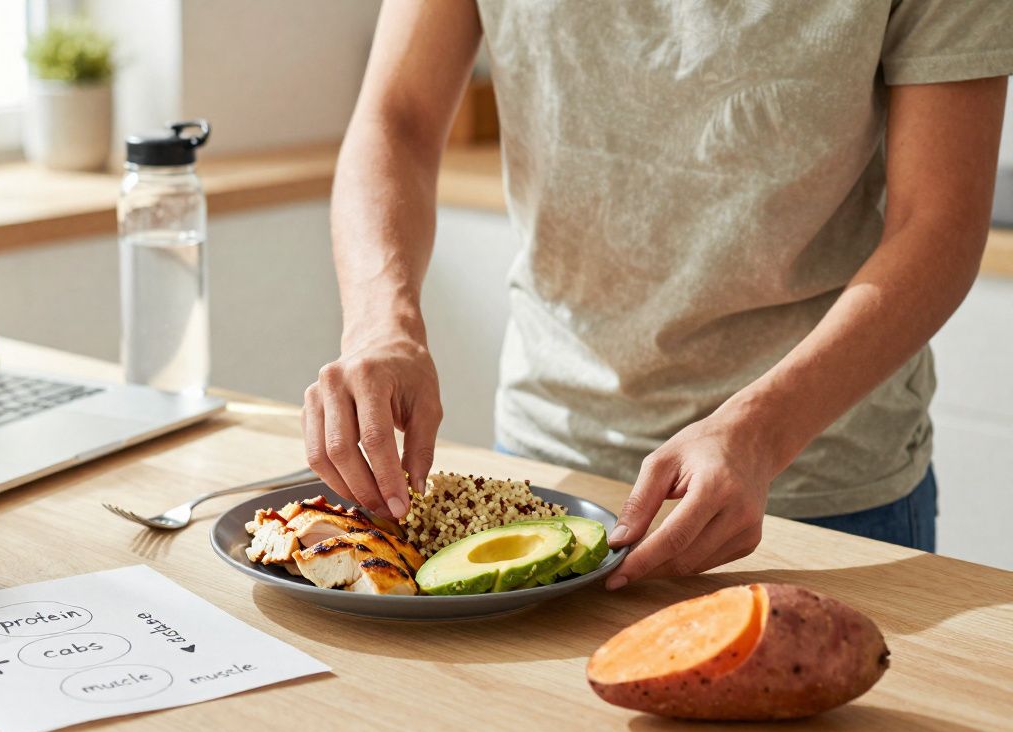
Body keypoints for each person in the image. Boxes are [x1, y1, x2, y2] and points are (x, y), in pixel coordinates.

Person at [303, 1, 1011, 590]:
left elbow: (938, 224)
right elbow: (397, 118)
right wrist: (381, 326)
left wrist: (761, 432)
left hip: (818, 494)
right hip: (548, 463)